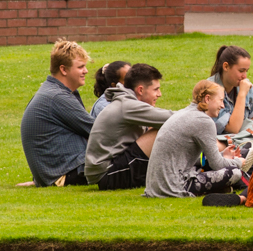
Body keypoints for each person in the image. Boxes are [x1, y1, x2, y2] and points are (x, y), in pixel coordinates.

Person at [144, 79, 252, 198]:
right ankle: (248, 183)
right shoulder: (203, 121)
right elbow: (217, 164)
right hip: (175, 187)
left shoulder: (183, 113)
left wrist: (223, 155)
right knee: (234, 172)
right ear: (207, 99)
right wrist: (238, 162)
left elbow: (199, 159)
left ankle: (227, 186)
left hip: (155, 186)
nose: (223, 105)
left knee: (215, 165)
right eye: (221, 100)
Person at [85, 63, 174, 190]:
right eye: (156, 89)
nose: (159, 94)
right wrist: (200, 113)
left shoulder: (126, 102)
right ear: (141, 90)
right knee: (163, 129)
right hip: (107, 174)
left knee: (159, 128)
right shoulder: (127, 105)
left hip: (110, 168)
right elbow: (172, 118)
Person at [18, 40, 95, 187]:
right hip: (67, 175)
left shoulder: (54, 92)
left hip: (60, 173)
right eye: (81, 67)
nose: (86, 71)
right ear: (63, 70)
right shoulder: (57, 97)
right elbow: (97, 130)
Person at [208, 45, 253, 140]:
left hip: (245, 137)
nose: (244, 76)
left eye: (246, 71)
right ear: (226, 66)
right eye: (241, 71)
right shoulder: (210, 90)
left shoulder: (247, 86)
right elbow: (232, 128)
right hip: (220, 141)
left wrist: (250, 134)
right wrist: (242, 94)